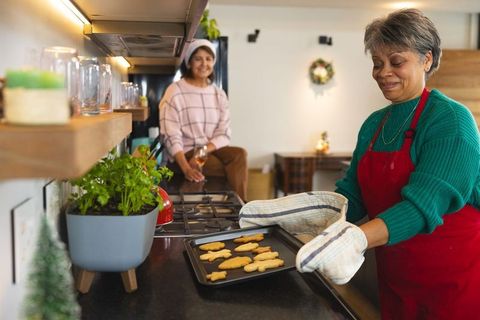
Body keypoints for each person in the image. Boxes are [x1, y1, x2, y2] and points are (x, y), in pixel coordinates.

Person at [239, 9, 480, 320]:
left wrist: (356, 239)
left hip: (451, 280)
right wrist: (306, 215)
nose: (383, 72)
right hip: (396, 275)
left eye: (396, 62)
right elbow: (352, 196)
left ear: (427, 60)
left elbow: (425, 205)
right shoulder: (374, 125)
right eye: (377, 63)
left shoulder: (450, 120)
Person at [159, 39, 248, 201]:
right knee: (220, 167)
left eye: (208, 58)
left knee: (239, 154)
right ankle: (234, 209)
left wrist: (203, 151)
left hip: (208, 149)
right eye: (198, 58)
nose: (203, 63)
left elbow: (224, 133)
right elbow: (171, 135)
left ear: (213, 62)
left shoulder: (218, 94)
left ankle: (242, 208)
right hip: (186, 151)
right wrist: (186, 168)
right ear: (189, 62)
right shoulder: (175, 91)